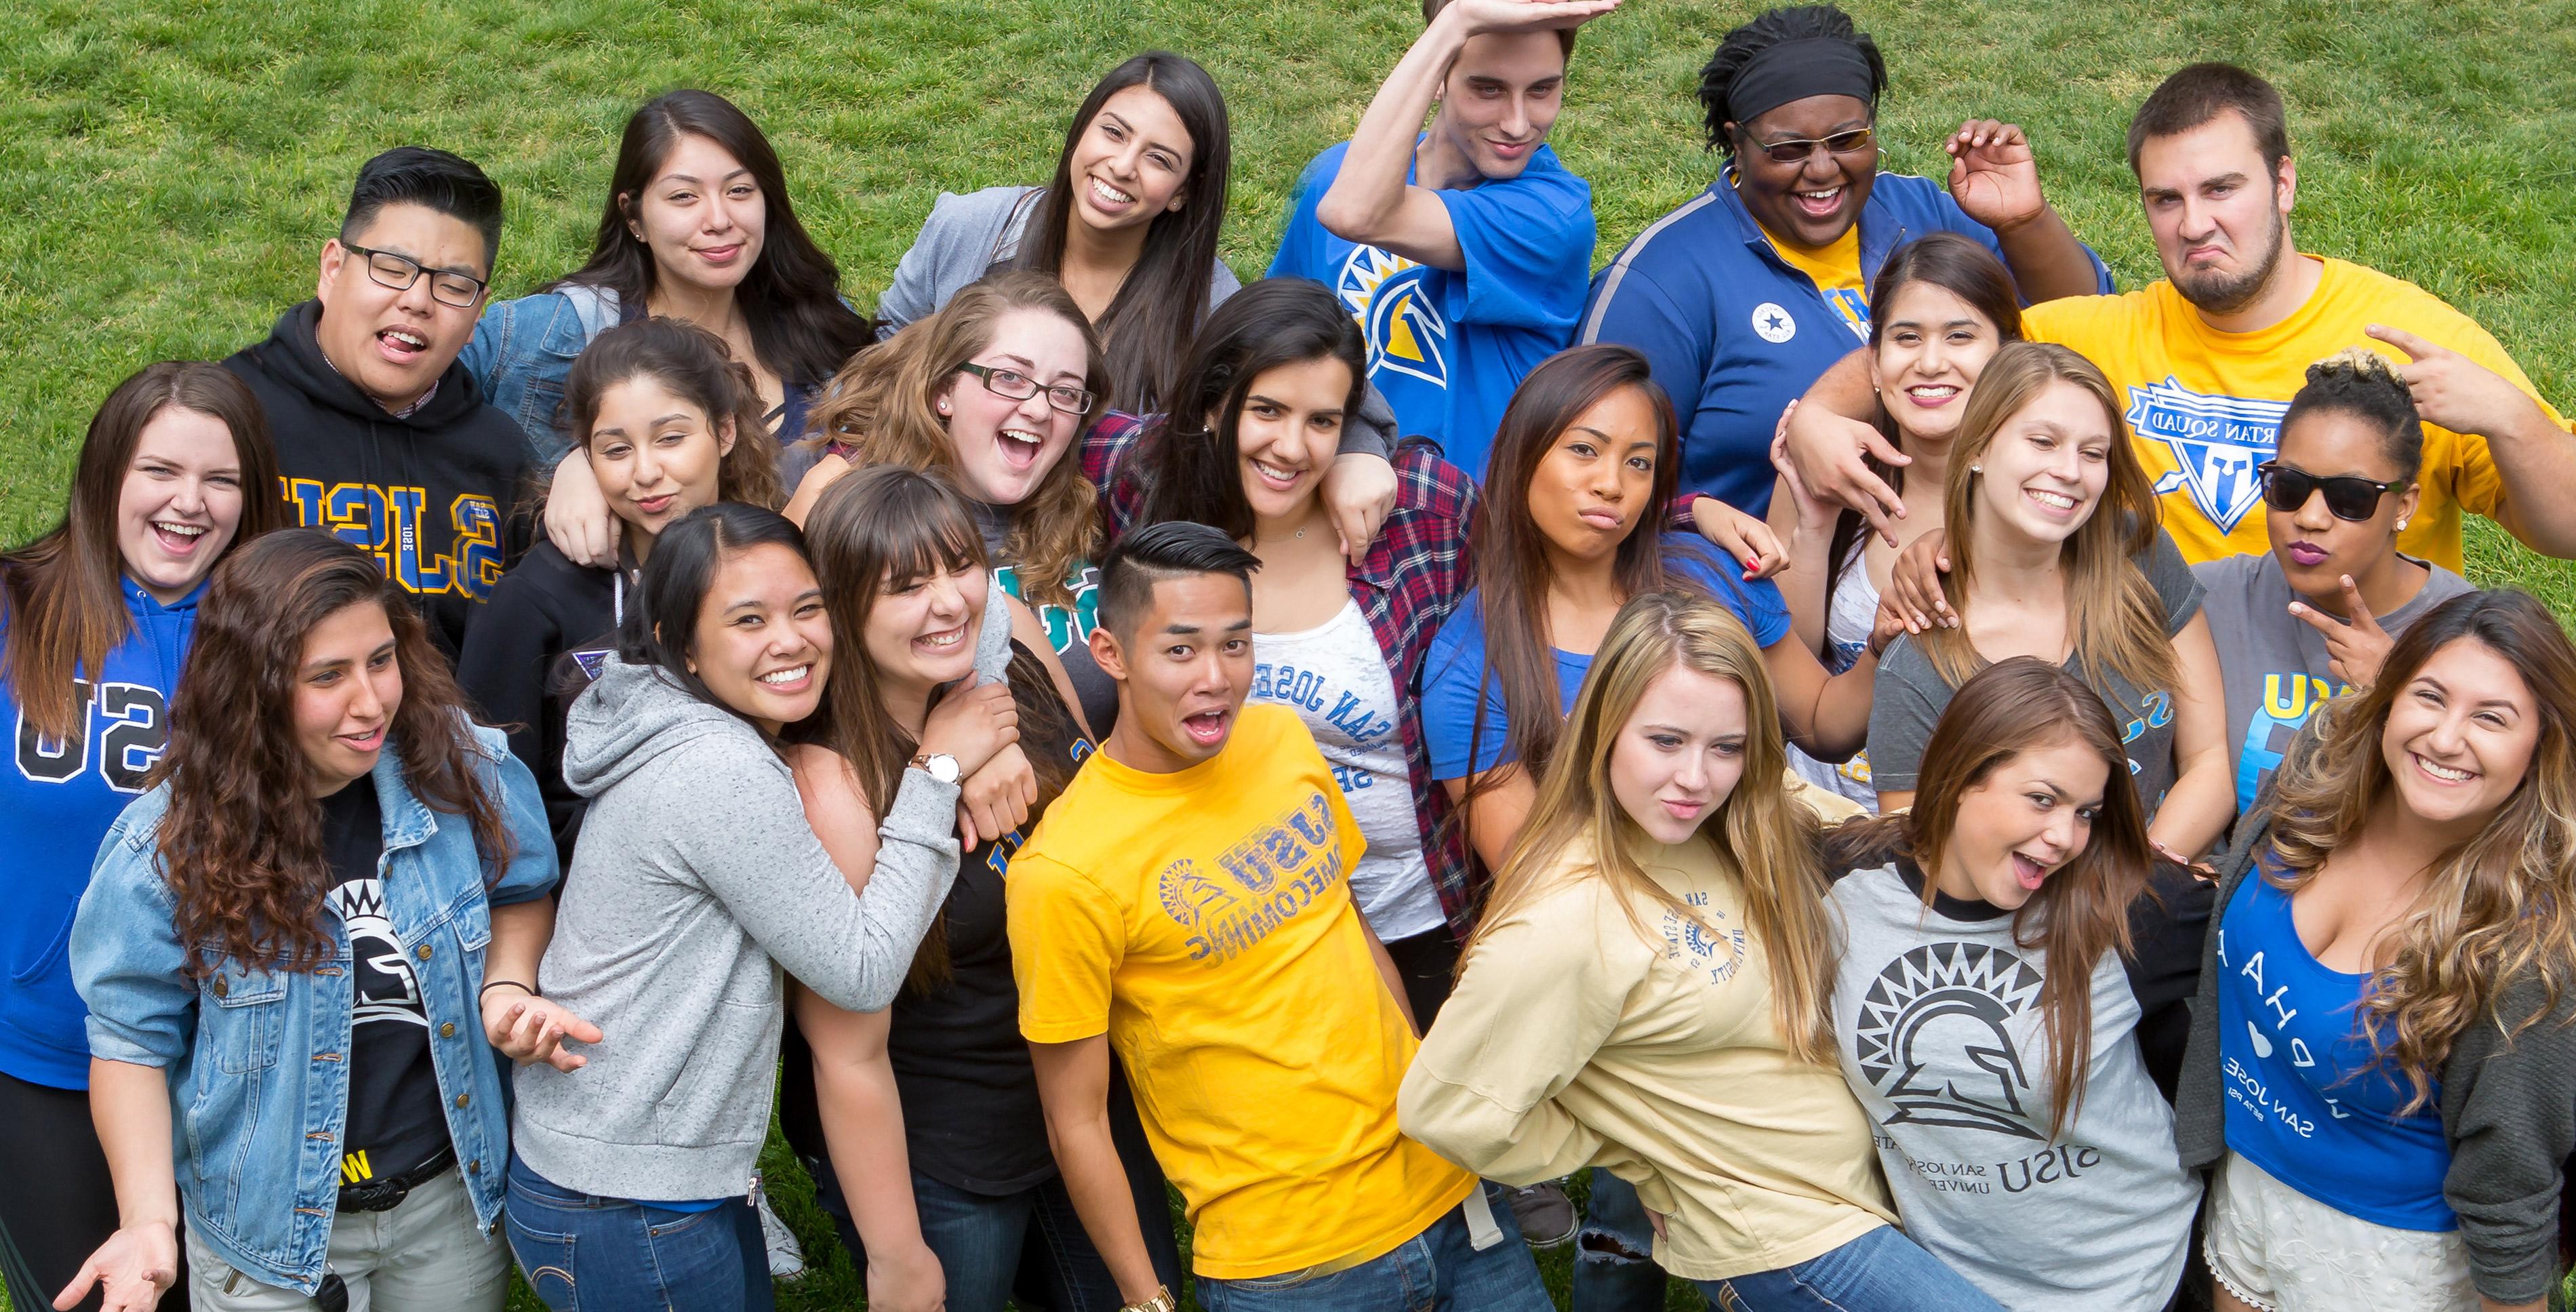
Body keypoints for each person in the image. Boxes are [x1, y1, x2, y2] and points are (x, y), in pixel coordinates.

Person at [1006, 521, 1556, 1311]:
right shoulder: (1063, 873)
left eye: (1236, 645)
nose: (1216, 678)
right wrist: (1142, 1297)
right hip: (1291, 1267)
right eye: (1180, 649)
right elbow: (1077, 1120)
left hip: (1448, 1192)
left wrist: (1424, 1100)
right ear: (1110, 655)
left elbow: (1349, 926)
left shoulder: (1280, 737)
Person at [1403, 589, 2000, 1311]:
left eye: (1725, 747)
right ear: (1597, 727)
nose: (1694, 779)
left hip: (1872, 1185)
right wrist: (1634, 1150)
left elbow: (1883, 840)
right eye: (1664, 741)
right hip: (1784, 1237)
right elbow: (1442, 1108)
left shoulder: (1744, 812)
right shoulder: (1564, 918)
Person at [499, 503, 1003, 1311]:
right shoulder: (717, 768)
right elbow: (861, 970)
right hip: (628, 1199)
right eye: (749, 620)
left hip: (637, 1169)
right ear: (682, 641)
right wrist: (937, 776)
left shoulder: (672, 716)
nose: (791, 640)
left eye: (807, 609)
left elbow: (984, 612)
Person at [1783, 62, 2576, 572]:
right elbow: (1938, 348)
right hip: (2153, 706)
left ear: (2283, 184)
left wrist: (2509, 419)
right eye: (2166, 199)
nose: (2193, 224)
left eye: (2220, 189)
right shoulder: (2098, 335)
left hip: (2346, 698)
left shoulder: (2405, 337)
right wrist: (1818, 414)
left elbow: (2563, 530)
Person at [60, 529, 562, 1312]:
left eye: (381, 659)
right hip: (266, 1236)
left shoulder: (463, 770)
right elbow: (130, 1035)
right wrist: (149, 1220)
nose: (370, 703)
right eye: (327, 676)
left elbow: (524, 885)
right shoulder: (166, 844)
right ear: (253, 688)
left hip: (446, 1206)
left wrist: (505, 984)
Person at [778, 465, 1184, 1311]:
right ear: (844, 613)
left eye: (959, 566)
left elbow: (1106, 819)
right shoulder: (833, 786)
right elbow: (846, 1051)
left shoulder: (1010, 664)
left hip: (1087, 1102)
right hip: (946, 1148)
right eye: (904, 586)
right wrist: (896, 1255)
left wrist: (990, 737)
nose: (950, 602)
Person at [2175, 589, 2576, 1311]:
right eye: (2429, 696)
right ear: (2388, 699)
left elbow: (2510, 1180)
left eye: (2490, 717)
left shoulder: (2529, 945)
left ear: (2539, 745)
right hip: (2242, 1186)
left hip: (2384, 1260)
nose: (2446, 738)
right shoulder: (2308, 785)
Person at [1087, 277, 1480, 1008]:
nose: (1291, 448)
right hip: (1232, 935)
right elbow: (1010, 425)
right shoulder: (1144, 482)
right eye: (1265, 411)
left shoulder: (1418, 509)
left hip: (1419, 919)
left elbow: (1560, 542)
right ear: (1210, 405)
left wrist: (1696, 513)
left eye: (1324, 422)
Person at [789, 271, 1411, 732]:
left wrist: (1357, 443)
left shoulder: (1098, 485)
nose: (1037, 408)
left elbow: (1268, 385)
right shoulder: (855, 514)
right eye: (1009, 377)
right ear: (944, 389)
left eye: (1066, 391)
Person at [1577, 3, 2110, 514]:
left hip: (1965, 556)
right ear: (1737, 144)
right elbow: (1586, 472)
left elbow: (2086, 330)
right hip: (1761, 582)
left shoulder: (1924, 213)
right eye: (1789, 149)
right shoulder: (1661, 281)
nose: (1822, 168)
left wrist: (2023, 223)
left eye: (1847, 139)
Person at [0, 364, 281, 1312]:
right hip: (43, 1055)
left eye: (222, 479)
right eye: (159, 469)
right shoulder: (14, 607)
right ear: (106, 474)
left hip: (240, 1060)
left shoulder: (288, 626)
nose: (189, 503)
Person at [1822, 656, 2211, 1309]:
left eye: (2087, 811)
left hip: (2138, 1278)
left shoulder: (2127, 906)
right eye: (2042, 798)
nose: (2065, 837)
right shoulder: (1840, 887)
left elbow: (2291, 934)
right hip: (1950, 1286)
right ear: (1958, 775)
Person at [462, 89, 874, 574]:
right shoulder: (550, 333)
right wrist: (580, 462)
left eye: (740, 191)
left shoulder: (824, 328)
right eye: (684, 197)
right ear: (634, 217)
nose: (719, 220)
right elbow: (413, 396)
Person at [1866, 342, 2234, 864]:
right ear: (1976, 449)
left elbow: (2209, 763)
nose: (2070, 471)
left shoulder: (2137, 555)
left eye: (2093, 453)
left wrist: (2137, 886)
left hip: (2172, 885)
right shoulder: (1922, 662)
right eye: (2043, 442)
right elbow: (1926, 859)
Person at [455, 317, 785, 860]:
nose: (646, 472)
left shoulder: (780, 566)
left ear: (724, 432)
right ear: (584, 456)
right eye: (615, 450)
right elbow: (490, 802)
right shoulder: (531, 599)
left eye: (671, 438)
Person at [1267, 0, 1616, 477]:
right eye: (1487, 88)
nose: (1517, 123)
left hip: (1457, 524)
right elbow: (1277, 341)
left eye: (1542, 89)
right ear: (1437, 77)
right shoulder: (1339, 172)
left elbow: (1357, 213)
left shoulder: (1552, 216)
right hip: (1321, 487)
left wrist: (1456, 21)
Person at [224, 146, 532, 659]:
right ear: (332, 268)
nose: (417, 300)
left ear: (479, 309)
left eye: (454, 284)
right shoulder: (231, 417)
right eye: (392, 268)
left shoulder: (503, 456)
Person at [1767, 232, 2025, 810]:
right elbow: (1792, 682)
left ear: (2005, 356)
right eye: (1906, 338)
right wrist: (1812, 530)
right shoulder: (1828, 472)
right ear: (1876, 366)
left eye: (1961, 336)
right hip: (1823, 816)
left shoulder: (2036, 496)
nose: (1930, 362)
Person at [876, 52, 1234, 416]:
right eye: (1114, 133)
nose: (1123, 166)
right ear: (1081, 130)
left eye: (1158, 159)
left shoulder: (1214, 304)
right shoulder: (970, 227)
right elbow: (877, 366)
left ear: (1183, 192)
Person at [2195, 350, 2478, 811]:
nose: (2308, 518)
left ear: (2404, 506)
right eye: (2288, 486)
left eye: (2349, 497)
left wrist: (2396, 687)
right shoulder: (2209, 601)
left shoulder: (2471, 632)